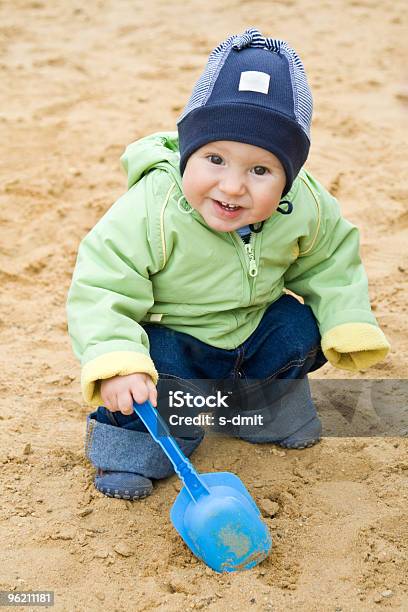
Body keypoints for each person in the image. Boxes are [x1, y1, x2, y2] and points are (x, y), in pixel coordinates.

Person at [66, 27, 390, 501]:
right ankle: (134, 448)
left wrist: (348, 318)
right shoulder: (152, 208)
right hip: (176, 338)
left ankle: (260, 410)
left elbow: (330, 261)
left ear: (288, 177)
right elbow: (103, 285)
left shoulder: (305, 205)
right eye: (215, 159)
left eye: (260, 170)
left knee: (298, 327)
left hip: (250, 330)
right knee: (147, 375)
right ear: (187, 153)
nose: (233, 186)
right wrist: (117, 361)